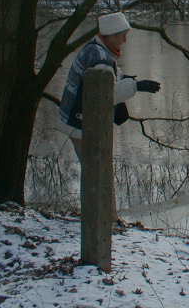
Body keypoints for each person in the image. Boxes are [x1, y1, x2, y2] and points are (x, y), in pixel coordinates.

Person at [59, 12, 161, 217]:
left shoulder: (94, 48)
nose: (125, 40)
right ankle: (104, 217)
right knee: (98, 172)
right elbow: (105, 92)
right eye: (121, 35)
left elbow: (110, 77)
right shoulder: (100, 59)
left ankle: (102, 215)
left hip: (74, 120)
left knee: (95, 170)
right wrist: (136, 86)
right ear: (110, 35)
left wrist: (124, 79)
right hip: (81, 125)